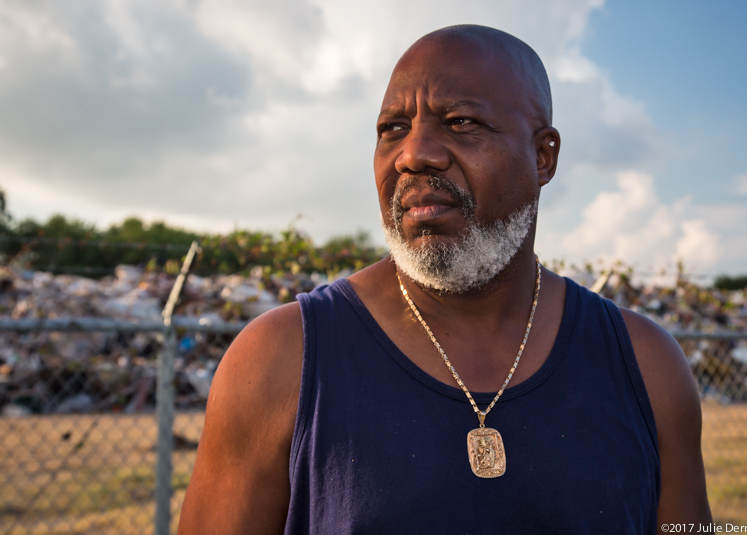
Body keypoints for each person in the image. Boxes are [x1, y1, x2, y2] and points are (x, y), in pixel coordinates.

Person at [179, 24, 712, 534]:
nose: (414, 155)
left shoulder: (646, 366)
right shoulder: (278, 360)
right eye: (392, 130)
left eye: (460, 122)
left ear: (543, 156)